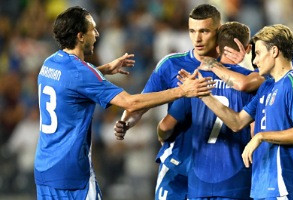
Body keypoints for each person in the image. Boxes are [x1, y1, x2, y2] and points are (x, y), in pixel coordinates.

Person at [35, 6, 213, 200]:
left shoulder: (49, 64)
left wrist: (101, 71)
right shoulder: (82, 73)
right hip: (71, 172)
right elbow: (131, 102)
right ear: (80, 36)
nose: (96, 34)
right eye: (92, 29)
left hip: (44, 168)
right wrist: (182, 90)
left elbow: (71, 82)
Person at [113, 4, 247, 200]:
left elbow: (165, 127)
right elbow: (143, 104)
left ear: (219, 31)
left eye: (204, 31)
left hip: (213, 173)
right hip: (179, 168)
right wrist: (127, 122)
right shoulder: (171, 65)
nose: (197, 38)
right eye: (192, 31)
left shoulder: (234, 72)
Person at [188, 24, 293, 199]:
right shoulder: (267, 86)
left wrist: (261, 136)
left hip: (284, 184)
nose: (254, 60)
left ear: (274, 51)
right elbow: (237, 122)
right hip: (262, 184)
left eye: (259, 53)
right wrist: (205, 96)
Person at [158, 22, 254, 199]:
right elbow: (256, 132)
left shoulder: (196, 80)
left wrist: (163, 138)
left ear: (217, 48)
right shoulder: (253, 82)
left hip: (199, 180)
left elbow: (165, 126)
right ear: (247, 48)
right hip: (235, 179)